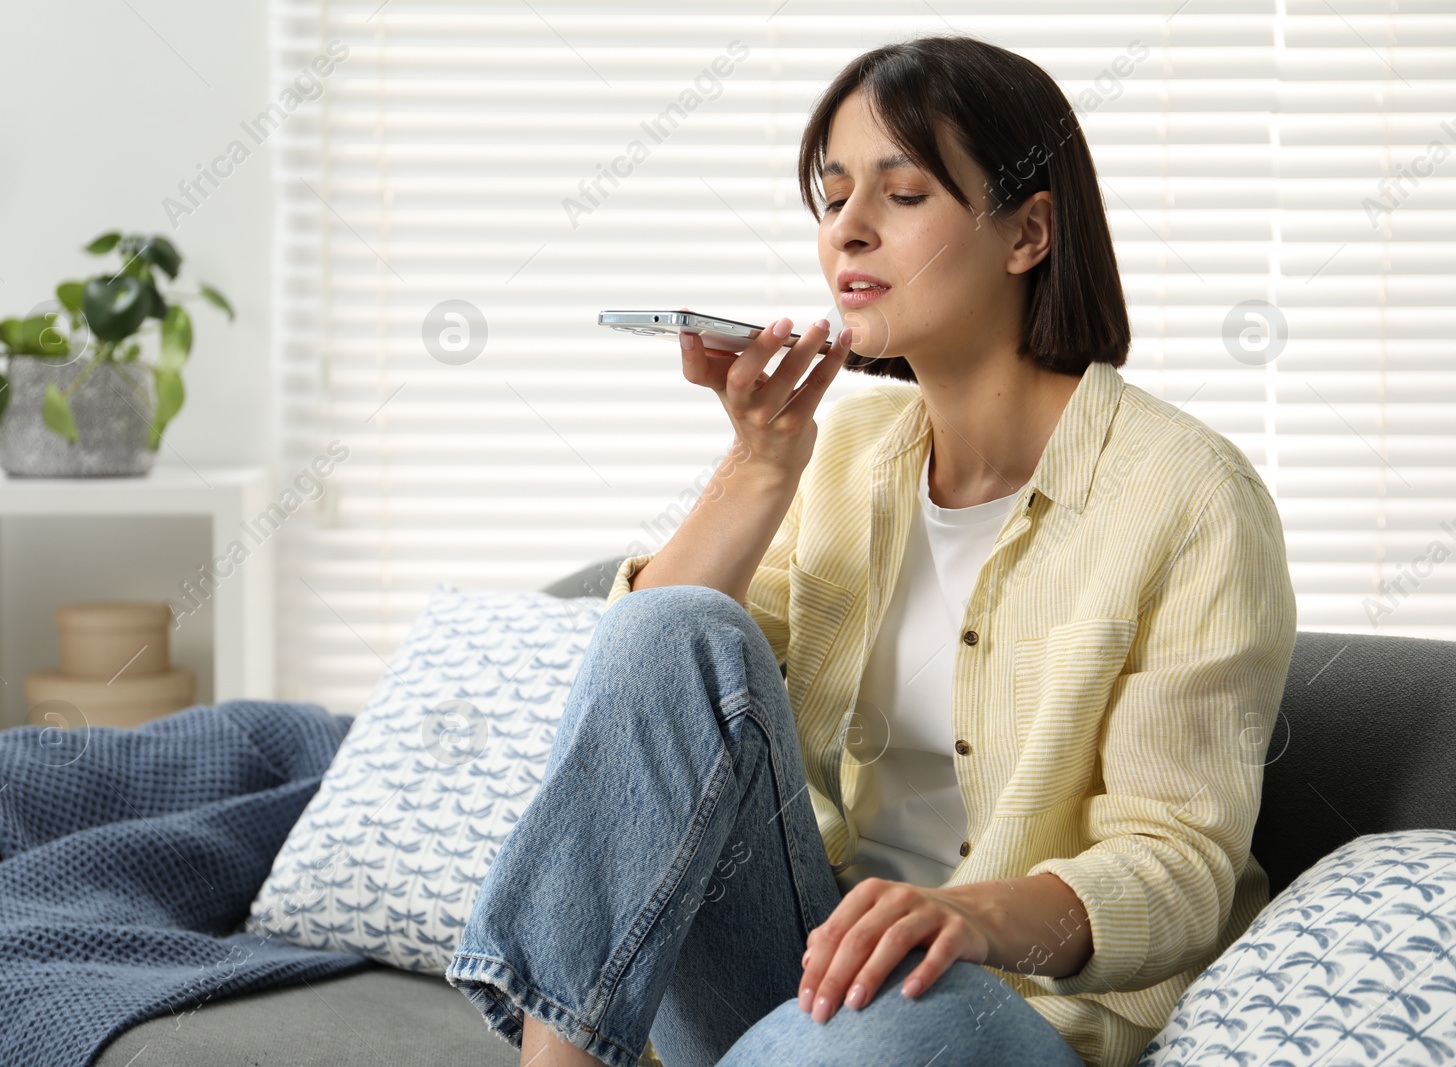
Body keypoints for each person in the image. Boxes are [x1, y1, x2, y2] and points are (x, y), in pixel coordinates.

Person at [446, 33, 1297, 1067]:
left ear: (1027, 232)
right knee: (675, 625)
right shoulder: (844, 451)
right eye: (832, 194)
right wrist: (760, 465)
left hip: (1003, 1010)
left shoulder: (1190, 495)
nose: (846, 230)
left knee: (883, 1020)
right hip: (808, 968)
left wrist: (969, 917)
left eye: (900, 196)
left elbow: (1179, 865)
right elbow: (644, 700)